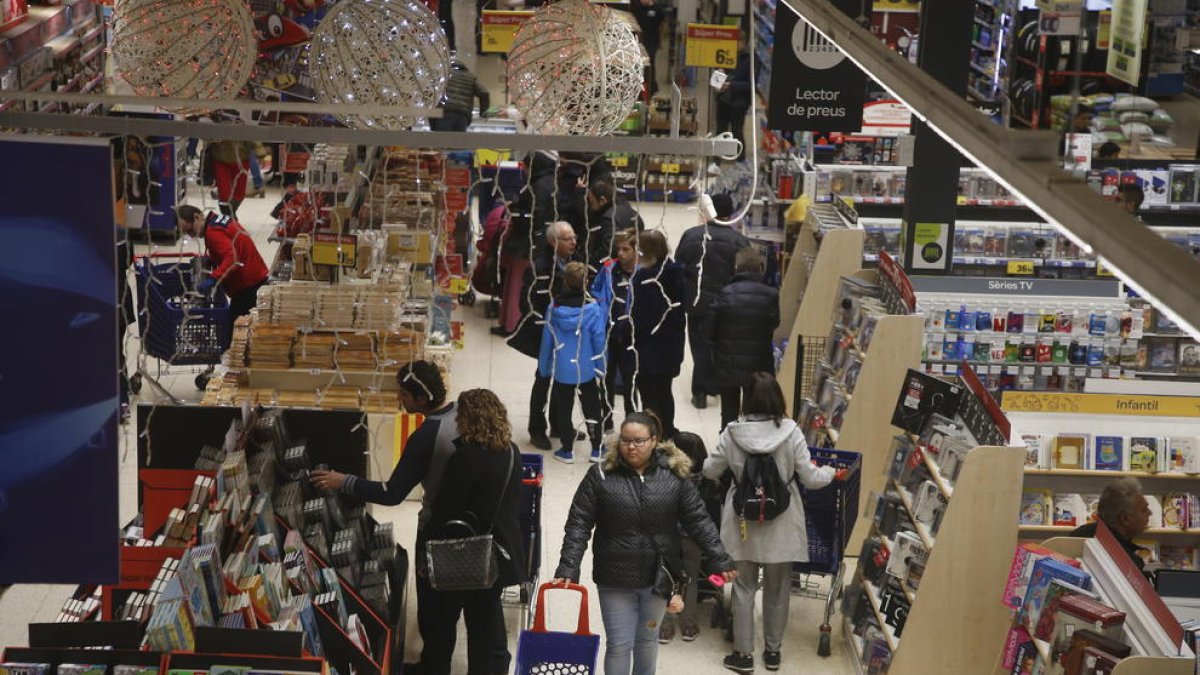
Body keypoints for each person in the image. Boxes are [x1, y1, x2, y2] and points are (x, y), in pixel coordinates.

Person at [553, 411, 738, 675]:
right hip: (614, 578)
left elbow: (698, 519)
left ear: (654, 440)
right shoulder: (601, 475)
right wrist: (568, 566)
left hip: (658, 578)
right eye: (626, 440)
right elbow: (579, 522)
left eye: (639, 440)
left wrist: (719, 558)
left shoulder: (674, 476)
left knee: (647, 640)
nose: (631, 446)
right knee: (619, 644)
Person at [309, 361, 459, 673]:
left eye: (404, 394)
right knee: (445, 604)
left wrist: (343, 481)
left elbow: (392, 493)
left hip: (436, 529)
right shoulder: (459, 413)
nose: (399, 400)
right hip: (462, 522)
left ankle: (433, 667)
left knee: (433, 604)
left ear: (420, 398)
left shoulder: (426, 436)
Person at [703, 372, 840, 675]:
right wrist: (831, 472)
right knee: (778, 590)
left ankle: (743, 654)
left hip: (742, 522)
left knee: (742, 587)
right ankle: (773, 653)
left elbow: (710, 471)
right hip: (783, 521)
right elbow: (811, 479)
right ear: (778, 398)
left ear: (746, 399)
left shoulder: (732, 432)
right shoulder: (791, 432)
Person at [420, 388, 526, 675]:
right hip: (498, 550)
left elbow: (446, 509)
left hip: (464, 553)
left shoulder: (466, 457)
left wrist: (425, 550)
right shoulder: (512, 452)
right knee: (486, 617)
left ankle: (434, 669)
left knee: (441, 619)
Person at [508, 221, 578, 450]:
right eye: (568, 239)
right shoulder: (539, 267)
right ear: (553, 242)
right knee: (543, 380)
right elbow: (526, 303)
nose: (573, 242)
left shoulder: (572, 263)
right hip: (546, 334)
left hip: (568, 334)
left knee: (564, 379)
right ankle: (537, 429)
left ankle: (559, 425)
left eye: (574, 237)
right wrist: (549, 323)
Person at [675, 194, 749, 409]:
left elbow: (679, 267)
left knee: (699, 347)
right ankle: (716, 385)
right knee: (721, 345)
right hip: (728, 304)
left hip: (697, 303)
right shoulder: (739, 242)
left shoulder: (691, 236)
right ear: (732, 214)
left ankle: (699, 393)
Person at [539, 261, 607, 465]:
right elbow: (599, 340)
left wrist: (544, 368)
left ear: (565, 281)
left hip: (562, 369)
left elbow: (547, 340)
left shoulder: (554, 307)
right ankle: (597, 447)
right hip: (586, 368)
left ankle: (567, 449)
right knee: (592, 408)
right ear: (586, 281)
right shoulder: (594, 309)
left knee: (563, 409)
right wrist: (601, 368)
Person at [622, 229, 687, 439]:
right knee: (665, 391)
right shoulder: (677, 274)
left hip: (648, 348)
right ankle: (668, 431)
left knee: (649, 396)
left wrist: (625, 334)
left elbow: (638, 316)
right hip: (670, 346)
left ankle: (653, 436)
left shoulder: (643, 279)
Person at [706, 247, 780, 430]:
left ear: (736, 268)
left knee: (729, 412)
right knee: (755, 411)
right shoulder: (771, 295)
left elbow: (708, 330)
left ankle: (728, 445)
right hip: (759, 363)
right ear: (760, 267)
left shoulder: (724, 294)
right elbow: (775, 323)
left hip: (727, 362)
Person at [658, 431, 718, 644]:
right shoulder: (706, 479)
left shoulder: (664, 474)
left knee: (666, 578)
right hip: (693, 537)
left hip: (667, 536)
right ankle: (688, 625)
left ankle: (664, 627)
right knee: (691, 580)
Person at [176, 205, 269, 320]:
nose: (191, 235)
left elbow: (232, 259)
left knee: (233, 329)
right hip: (255, 276)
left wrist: (214, 278)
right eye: (187, 233)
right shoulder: (216, 221)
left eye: (190, 230)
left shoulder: (213, 232)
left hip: (248, 285)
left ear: (197, 217)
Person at [590, 228, 639, 429]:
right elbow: (595, 290)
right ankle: (606, 418)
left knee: (631, 382)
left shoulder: (642, 273)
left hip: (631, 338)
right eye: (618, 249)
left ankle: (631, 419)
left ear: (637, 251)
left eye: (626, 249)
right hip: (609, 333)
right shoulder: (609, 269)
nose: (620, 253)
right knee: (606, 378)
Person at [1069, 477, 1151, 575]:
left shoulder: (1080, 533)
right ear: (1125, 519)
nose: (1150, 513)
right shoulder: (1129, 561)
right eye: (1144, 510)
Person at [584, 177, 644, 273]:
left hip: (615, 270)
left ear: (602, 200)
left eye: (591, 203)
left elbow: (608, 249)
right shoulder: (630, 211)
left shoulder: (607, 219)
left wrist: (590, 268)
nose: (591, 207)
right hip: (633, 266)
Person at [714, 36, 752, 162]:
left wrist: (731, 85)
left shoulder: (749, 60)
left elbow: (751, 84)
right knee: (720, 131)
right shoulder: (726, 54)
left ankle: (740, 161)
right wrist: (717, 79)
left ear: (744, 43)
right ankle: (717, 161)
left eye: (738, 41)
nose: (735, 44)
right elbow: (717, 72)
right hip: (723, 100)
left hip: (738, 103)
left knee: (737, 132)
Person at [434, 57, 490, 132]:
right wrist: (483, 113)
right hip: (462, 116)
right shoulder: (470, 77)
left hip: (444, 113)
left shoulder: (444, 74)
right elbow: (484, 93)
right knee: (458, 142)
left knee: (442, 142)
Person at [631, 0, 666, 94]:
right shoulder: (637, 8)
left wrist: (661, 41)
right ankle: (639, 86)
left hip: (652, 41)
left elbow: (662, 26)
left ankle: (651, 87)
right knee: (639, 64)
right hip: (640, 41)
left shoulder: (658, 9)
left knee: (650, 63)